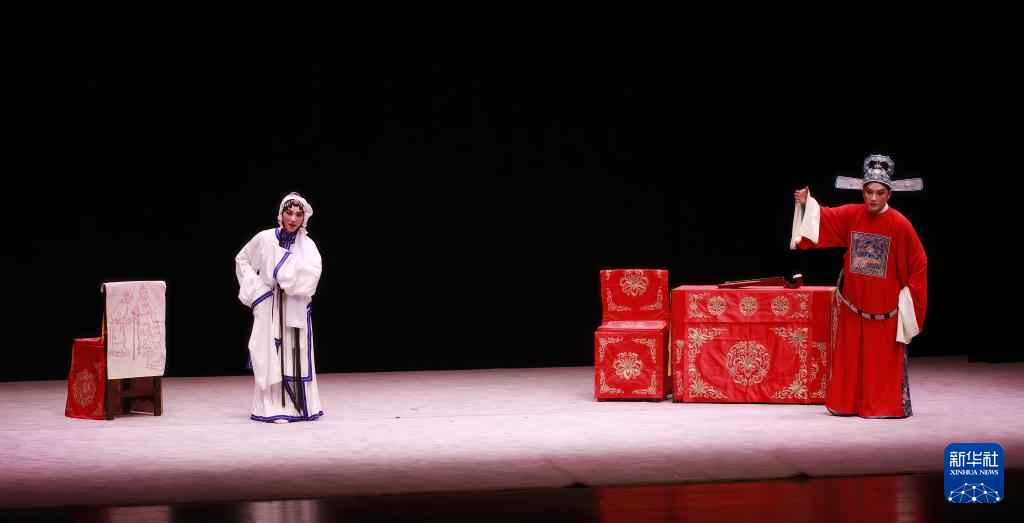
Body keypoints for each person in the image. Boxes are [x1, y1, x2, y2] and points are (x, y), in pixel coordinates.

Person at [790, 154, 927, 418]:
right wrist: (808, 204)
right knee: (851, 360)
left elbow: (919, 263)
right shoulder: (852, 215)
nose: (873, 198)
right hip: (854, 310)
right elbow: (825, 218)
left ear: (889, 194)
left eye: (879, 193)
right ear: (862, 191)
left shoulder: (901, 224)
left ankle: (882, 406)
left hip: (885, 313)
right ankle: (847, 404)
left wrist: (907, 300)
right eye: (868, 192)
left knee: (880, 362)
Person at [235, 192, 324, 423]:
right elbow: (242, 260)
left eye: (298, 214)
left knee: (295, 353)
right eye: (289, 212)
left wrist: (286, 270)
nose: (293, 219)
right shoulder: (265, 238)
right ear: (281, 214)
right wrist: (258, 290)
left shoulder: (308, 245)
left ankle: (299, 407)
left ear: (304, 218)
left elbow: (313, 274)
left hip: (295, 307)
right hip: (270, 306)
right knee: (271, 352)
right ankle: (272, 408)